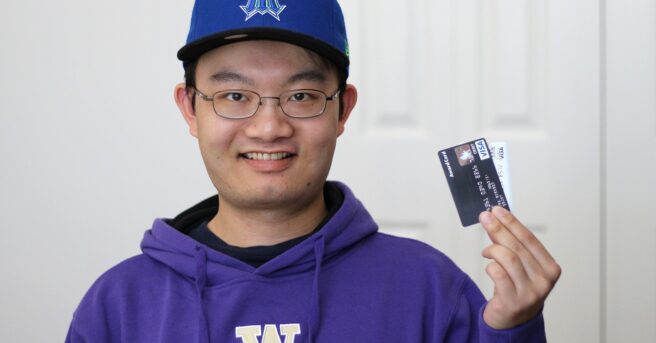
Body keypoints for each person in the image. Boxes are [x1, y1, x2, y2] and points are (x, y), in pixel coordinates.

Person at [66, 0, 561, 342]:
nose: (267, 127)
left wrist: (513, 332)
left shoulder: (431, 288)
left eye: (301, 96)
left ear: (342, 109)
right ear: (190, 109)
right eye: (234, 96)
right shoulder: (119, 305)